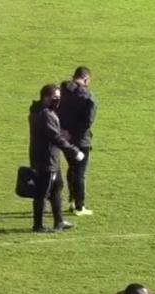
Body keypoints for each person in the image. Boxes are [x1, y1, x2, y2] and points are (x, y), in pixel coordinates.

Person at [28, 83, 83, 233]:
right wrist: (74, 151)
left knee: (57, 187)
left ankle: (59, 221)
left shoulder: (37, 111)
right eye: (55, 98)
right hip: (47, 159)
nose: (57, 101)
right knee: (42, 193)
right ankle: (38, 225)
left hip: (45, 157)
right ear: (46, 98)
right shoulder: (46, 114)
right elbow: (55, 137)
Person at [58, 67, 96, 216]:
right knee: (80, 172)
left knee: (72, 169)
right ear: (86, 79)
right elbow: (87, 121)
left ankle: (72, 201)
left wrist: (64, 131)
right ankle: (79, 206)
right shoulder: (88, 97)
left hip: (64, 139)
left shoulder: (62, 91)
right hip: (81, 140)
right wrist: (73, 132)